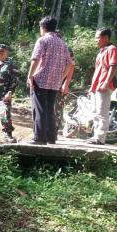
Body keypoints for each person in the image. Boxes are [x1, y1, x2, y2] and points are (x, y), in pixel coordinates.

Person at [27, 16, 72, 145]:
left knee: (39, 109)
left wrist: (30, 76)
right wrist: (61, 77)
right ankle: (51, 138)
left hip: (40, 79)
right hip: (54, 82)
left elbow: (35, 59)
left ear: (43, 28)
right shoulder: (62, 43)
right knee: (49, 109)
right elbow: (69, 63)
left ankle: (39, 138)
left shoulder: (42, 40)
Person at [86, 28, 117, 145]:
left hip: (104, 85)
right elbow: (97, 71)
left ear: (105, 38)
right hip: (96, 86)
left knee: (102, 112)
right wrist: (91, 87)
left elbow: (113, 67)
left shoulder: (112, 49)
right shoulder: (101, 51)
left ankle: (100, 138)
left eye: (97, 37)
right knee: (95, 112)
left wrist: (105, 82)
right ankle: (96, 136)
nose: (96, 40)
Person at [54, 48, 75, 137]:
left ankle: (54, 130)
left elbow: (71, 69)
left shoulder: (68, 52)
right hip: (52, 83)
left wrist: (65, 85)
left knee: (57, 108)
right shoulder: (56, 51)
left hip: (60, 85)